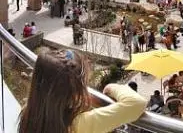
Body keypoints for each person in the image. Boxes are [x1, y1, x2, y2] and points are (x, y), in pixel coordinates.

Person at [18, 49, 147, 133]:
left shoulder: (28, 114)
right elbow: (137, 103)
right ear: (75, 92)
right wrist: (112, 87)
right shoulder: (80, 125)